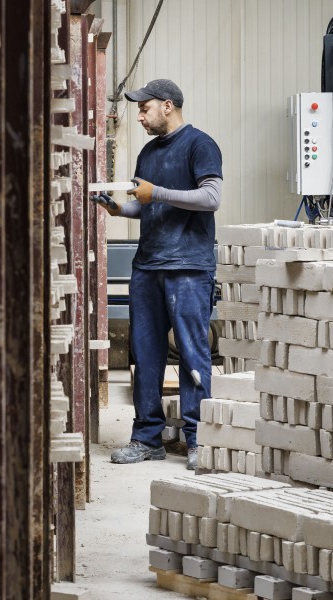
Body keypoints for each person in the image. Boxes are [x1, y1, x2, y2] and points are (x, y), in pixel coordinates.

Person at [96, 79, 222, 470]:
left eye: (145, 108)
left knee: (192, 354)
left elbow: (212, 198)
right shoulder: (148, 153)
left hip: (188, 267)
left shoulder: (200, 144)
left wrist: (158, 193)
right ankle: (147, 437)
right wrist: (120, 210)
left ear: (168, 106)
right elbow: (145, 206)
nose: (140, 116)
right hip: (148, 266)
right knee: (145, 354)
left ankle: (200, 438)